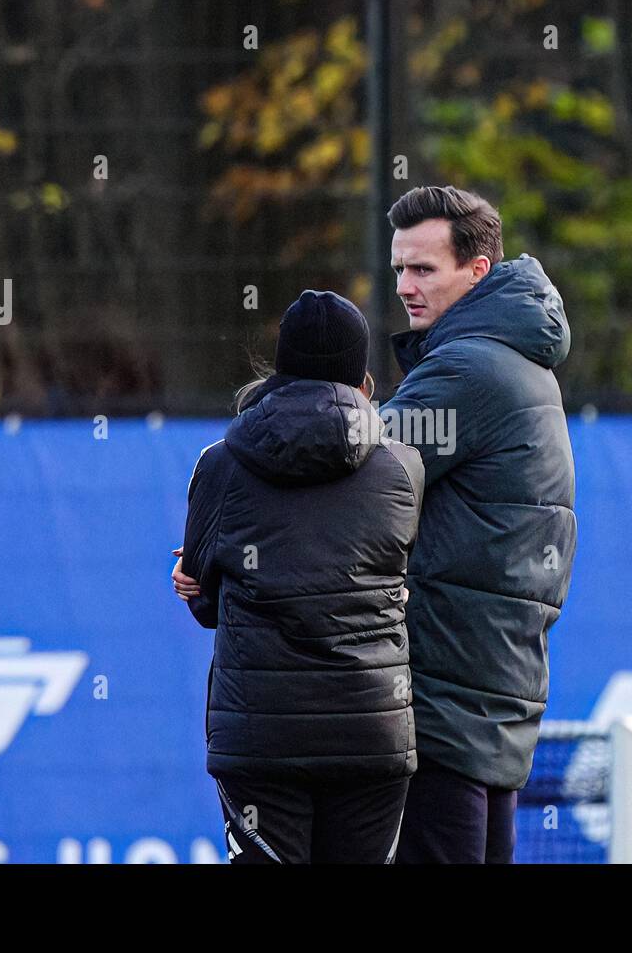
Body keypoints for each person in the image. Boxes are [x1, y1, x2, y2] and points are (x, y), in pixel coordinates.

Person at [171, 289, 425, 864]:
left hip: (262, 738)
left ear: (279, 369)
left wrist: (193, 578)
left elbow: (207, 604)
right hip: (371, 731)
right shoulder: (404, 467)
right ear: (362, 376)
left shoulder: (220, 463)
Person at [382, 185, 577, 864]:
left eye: (423, 269)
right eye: (399, 268)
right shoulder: (516, 357)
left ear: (478, 271)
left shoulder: (471, 366)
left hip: (442, 696)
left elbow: (355, 472)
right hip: (484, 695)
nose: (405, 286)